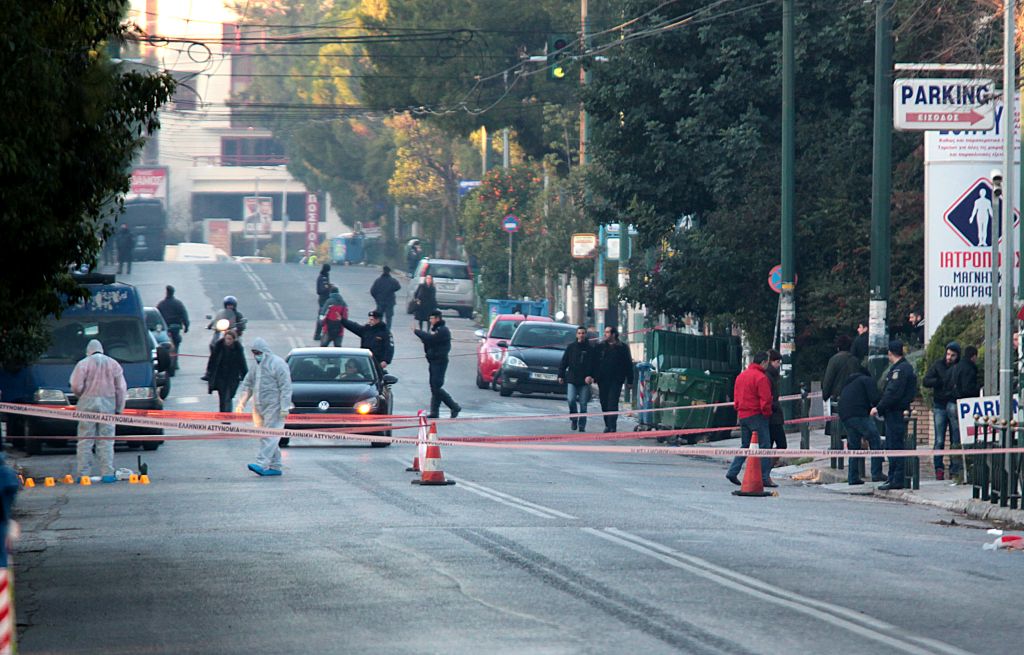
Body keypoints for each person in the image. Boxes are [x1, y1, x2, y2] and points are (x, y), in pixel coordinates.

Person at [69, 339, 127, 482]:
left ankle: (83, 474)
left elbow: (75, 385)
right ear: (102, 350)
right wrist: (119, 408)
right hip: (108, 404)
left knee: (85, 440)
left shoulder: (83, 364)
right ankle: (107, 473)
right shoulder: (113, 364)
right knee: (106, 440)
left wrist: (81, 395)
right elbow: (121, 388)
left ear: (88, 351)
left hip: (87, 403)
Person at [235, 337, 292, 477]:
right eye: (254, 353)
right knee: (266, 436)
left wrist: (285, 407)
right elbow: (247, 384)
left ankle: (261, 463)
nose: (256, 355)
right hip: (259, 406)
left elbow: (286, 387)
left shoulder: (277, 364)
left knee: (270, 435)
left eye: (258, 352)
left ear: (265, 351)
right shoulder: (256, 367)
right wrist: (241, 403)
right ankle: (276, 465)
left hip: (275, 406)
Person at [871, 340, 918, 491]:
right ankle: (893, 478)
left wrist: (879, 408)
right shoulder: (903, 367)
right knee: (892, 445)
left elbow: (892, 393)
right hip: (896, 411)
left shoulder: (900, 370)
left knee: (895, 446)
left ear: (890, 353)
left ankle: (896, 479)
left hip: (896, 412)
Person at [726, 351, 776, 488]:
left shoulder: (741, 376)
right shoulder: (761, 378)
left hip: (743, 414)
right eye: (767, 362)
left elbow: (736, 396)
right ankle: (764, 477)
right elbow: (765, 399)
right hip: (757, 415)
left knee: (745, 445)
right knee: (765, 446)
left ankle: (733, 471)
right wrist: (767, 413)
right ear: (763, 362)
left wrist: (739, 409)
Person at [838, 366, 884, 485]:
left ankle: (853, 477)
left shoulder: (850, 383)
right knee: (875, 439)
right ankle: (877, 473)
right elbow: (875, 398)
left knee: (854, 446)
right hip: (858, 414)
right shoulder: (866, 380)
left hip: (845, 416)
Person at [922, 341, 961, 481]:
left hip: (953, 404)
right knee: (939, 440)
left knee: (955, 439)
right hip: (940, 405)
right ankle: (939, 468)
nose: (949, 357)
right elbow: (926, 381)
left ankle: (954, 469)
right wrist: (938, 382)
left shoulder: (959, 367)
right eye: (948, 354)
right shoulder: (938, 365)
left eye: (953, 355)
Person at [413, 310, 461, 419]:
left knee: (436, 387)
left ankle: (454, 406)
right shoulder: (434, 329)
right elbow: (428, 341)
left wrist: (417, 332)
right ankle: (435, 412)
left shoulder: (442, 330)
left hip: (440, 361)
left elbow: (431, 339)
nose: (430, 320)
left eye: (432, 318)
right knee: (434, 387)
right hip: (433, 361)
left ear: (437, 319)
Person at [821, 335, 861, 444]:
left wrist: (825, 395)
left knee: (836, 430)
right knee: (852, 432)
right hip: (853, 400)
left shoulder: (834, 360)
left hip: (838, 399)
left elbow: (828, 380)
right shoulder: (855, 361)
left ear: (838, 347)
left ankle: (837, 449)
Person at [595, 326, 634, 433]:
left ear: (613, 334)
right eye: (605, 332)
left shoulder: (622, 347)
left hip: (616, 380)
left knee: (612, 402)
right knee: (604, 402)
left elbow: (628, 364)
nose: (605, 334)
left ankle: (612, 426)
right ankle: (607, 424)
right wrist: (593, 375)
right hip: (602, 379)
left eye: (608, 332)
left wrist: (630, 380)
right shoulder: (600, 346)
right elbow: (594, 362)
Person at [559, 326, 598, 432]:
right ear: (576, 335)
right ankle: (574, 418)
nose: (581, 335)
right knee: (571, 400)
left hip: (584, 381)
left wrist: (592, 376)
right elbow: (564, 362)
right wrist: (561, 375)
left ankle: (582, 425)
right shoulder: (571, 347)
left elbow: (595, 365)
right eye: (579, 333)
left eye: (583, 333)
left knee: (583, 404)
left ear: (585, 335)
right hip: (572, 379)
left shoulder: (590, 349)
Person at [205, 329, 248, 413]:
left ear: (233, 340)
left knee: (229, 396)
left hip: (232, 377)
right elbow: (212, 360)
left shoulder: (238, 348)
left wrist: (245, 375)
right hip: (220, 376)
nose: (228, 341)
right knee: (223, 397)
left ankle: (227, 414)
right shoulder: (219, 346)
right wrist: (209, 373)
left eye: (230, 339)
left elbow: (242, 362)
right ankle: (224, 414)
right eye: (227, 338)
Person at [765, 349, 787, 465]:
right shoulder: (769, 376)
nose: (778, 365)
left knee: (771, 444)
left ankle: (768, 464)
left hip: (772, 415)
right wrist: (775, 407)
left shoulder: (770, 375)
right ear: (772, 362)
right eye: (777, 362)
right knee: (780, 443)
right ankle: (768, 464)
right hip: (772, 415)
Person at [156, 285, 190, 354]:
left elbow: (157, 317)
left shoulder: (161, 304)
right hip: (175, 327)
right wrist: (186, 326)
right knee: (176, 342)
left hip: (165, 328)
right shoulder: (178, 304)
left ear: (166, 293)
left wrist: (157, 328)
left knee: (164, 343)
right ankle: (175, 355)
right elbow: (184, 315)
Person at [314, 264, 332, 340]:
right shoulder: (322, 277)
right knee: (322, 316)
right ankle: (317, 334)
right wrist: (328, 288)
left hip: (325, 299)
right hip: (323, 299)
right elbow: (320, 290)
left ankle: (323, 333)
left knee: (326, 316)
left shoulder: (325, 276)